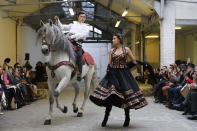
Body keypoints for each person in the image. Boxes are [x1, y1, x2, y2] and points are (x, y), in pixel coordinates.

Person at [89, 34, 148, 127]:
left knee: (126, 95)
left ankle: (127, 118)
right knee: (110, 95)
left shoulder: (127, 49)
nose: (112, 40)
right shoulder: (111, 51)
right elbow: (109, 64)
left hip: (124, 75)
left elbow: (134, 61)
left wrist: (143, 63)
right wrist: (108, 71)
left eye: (114, 38)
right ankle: (105, 118)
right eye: (112, 38)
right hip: (113, 74)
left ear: (119, 39)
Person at [54, 11, 90, 81]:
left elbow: (83, 35)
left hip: (77, 44)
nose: (82, 18)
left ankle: (79, 72)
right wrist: (57, 20)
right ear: (78, 17)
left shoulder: (86, 27)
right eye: (81, 16)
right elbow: (62, 27)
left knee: (79, 55)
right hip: (68, 42)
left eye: (84, 17)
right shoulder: (73, 24)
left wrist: (73, 36)